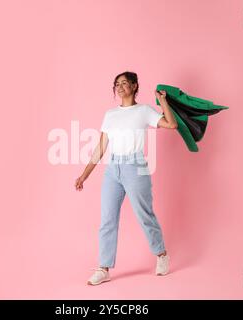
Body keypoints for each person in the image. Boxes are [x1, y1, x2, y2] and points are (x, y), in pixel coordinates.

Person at [75, 71, 178, 286]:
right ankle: (103, 268)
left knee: (144, 215)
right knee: (107, 219)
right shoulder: (110, 114)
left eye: (124, 83)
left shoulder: (144, 111)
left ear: (134, 86)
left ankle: (161, 255)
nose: (119, 87)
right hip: (113, 168)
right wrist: (84, 175)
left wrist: (162, 101)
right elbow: (101, 148)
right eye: (117, 84)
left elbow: (172, 124)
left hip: (136, 166)